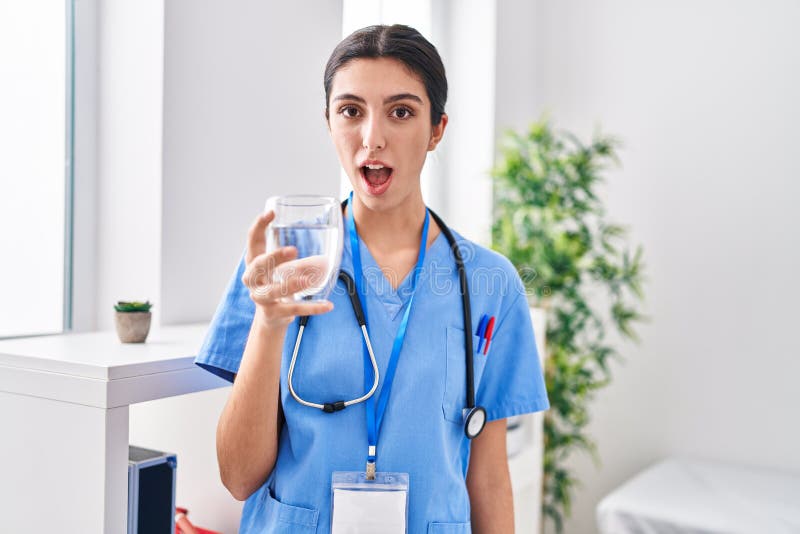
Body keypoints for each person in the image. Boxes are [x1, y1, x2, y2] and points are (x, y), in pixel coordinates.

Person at [195, 24, 549, 534]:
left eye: (401, 112)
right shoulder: (280, 268)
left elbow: (489, 478)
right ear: (329, 123)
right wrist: (270, 322)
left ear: (436, 130)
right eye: (351, 111)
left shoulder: (490, 283)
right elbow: (237, 477)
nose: (372, 138)